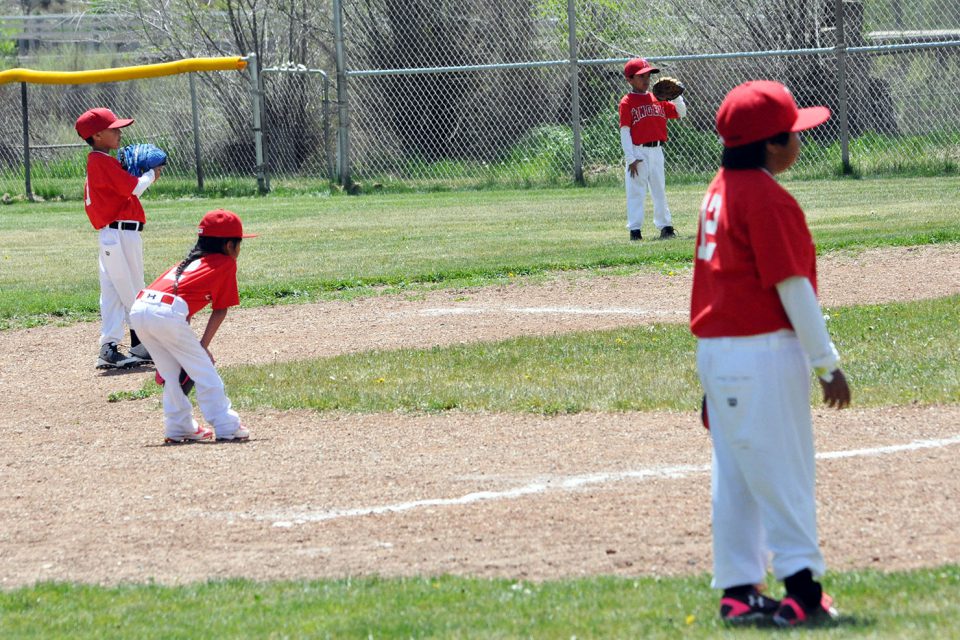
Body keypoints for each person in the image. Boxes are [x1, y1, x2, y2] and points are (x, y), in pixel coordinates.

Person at [689, 80, 852, 627]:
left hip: (719, 353)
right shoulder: (769, 199)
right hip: (761, 353)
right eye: (794, 135)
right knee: (785, 474)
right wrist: (826, 364)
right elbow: (793, 288)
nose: (799, 143)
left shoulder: (719, 189)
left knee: (736, 478)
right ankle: (803, 592)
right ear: (771, 145)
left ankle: (738, 590)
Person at [129, 209, 255, 444]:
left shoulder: (186, 263)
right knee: (204, 371)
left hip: (140, 309)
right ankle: (226, 425)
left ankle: (179, 426)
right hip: (164, 313)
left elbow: (178, 307)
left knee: (172, 373)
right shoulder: (225, 263)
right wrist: (202, 347)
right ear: (229, 246)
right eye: (238, 244)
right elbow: (220, 309)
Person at [76, 107, 160, 369]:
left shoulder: (104, 162)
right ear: (98, 135)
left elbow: (130, 194)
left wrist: (140, 179)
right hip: (119, 234)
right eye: (114, 129)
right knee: (132, 289)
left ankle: (110, 348)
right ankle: (142, 343)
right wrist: (151, 175)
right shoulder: (101, 161)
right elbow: (135, 187)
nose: (120, 132)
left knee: (112, 293)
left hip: (116, 233)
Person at [618, 57, 686, 241]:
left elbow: (681, 113)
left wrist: (677, 96)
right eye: (640, 76)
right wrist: (630, 158)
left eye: (648, 75)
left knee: (659, 189)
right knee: (636, 192)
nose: (646, 79)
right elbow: (625, 131)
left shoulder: (658, 98)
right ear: (629, 79)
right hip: (638, 151)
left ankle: (666, 227)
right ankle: (635, 230)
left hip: (657, 151)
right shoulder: (627, 102)